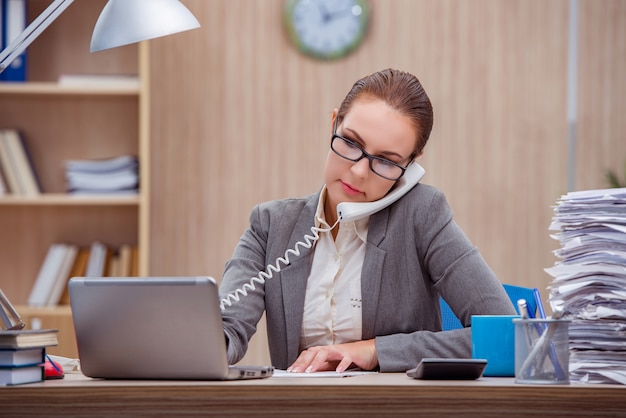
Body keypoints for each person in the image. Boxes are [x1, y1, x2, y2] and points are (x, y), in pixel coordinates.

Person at [219, 68, 516, 373]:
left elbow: (511, 336)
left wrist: (376, 350)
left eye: (386, 161)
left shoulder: (423, 215)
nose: (360, 171)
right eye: (350, 143)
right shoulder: (271, 225)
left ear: (411, 165)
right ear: (334, 123)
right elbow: (224, 333)